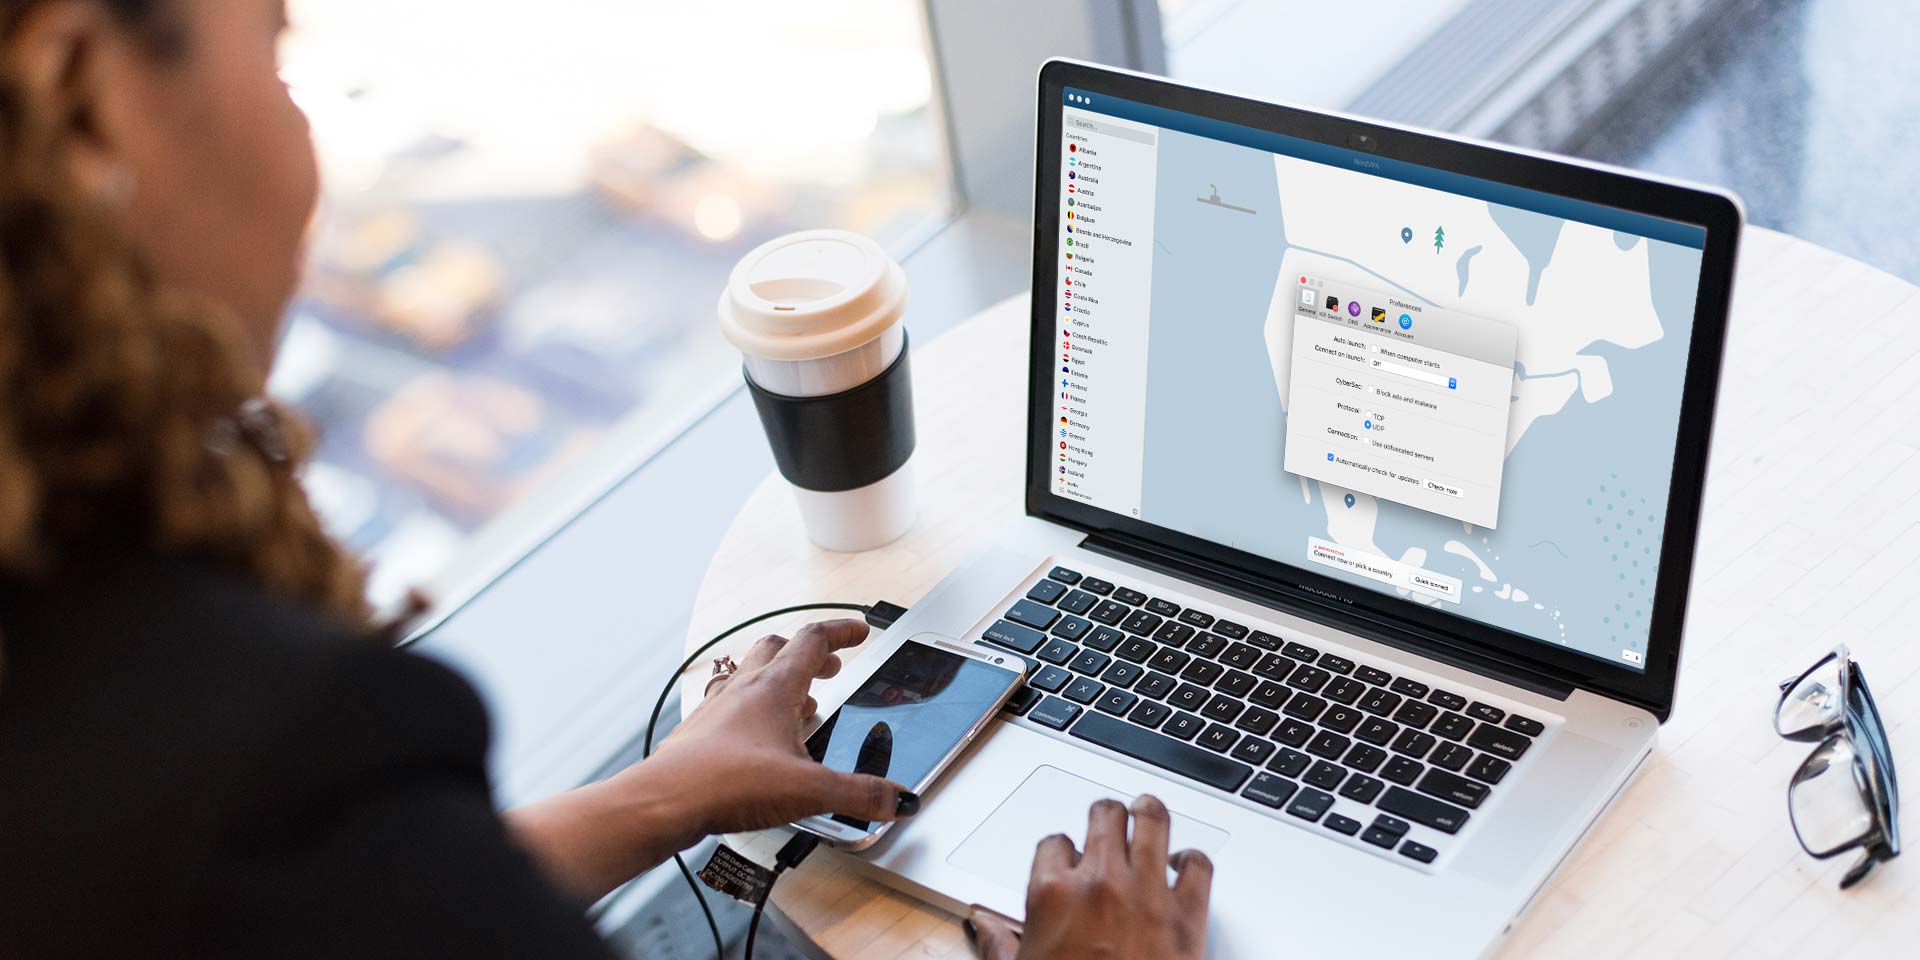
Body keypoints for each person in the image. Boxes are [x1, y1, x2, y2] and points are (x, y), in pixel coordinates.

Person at [0, 1, 1214, 957]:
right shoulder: (262, 742)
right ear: (82, 101)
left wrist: (663, 795)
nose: (299, 135)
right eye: (273, 54)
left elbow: (346, 915)